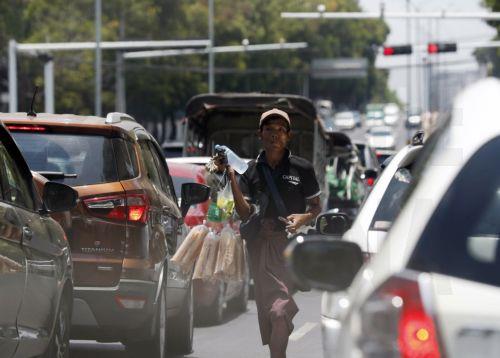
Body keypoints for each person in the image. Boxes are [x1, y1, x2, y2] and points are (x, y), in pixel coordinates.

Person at [222, 108, 322, 358]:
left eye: (280, 130)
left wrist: (302, 218)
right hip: (261, 248)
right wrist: (233, 178)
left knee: (278, 312)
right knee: (274, 312)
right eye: (269, 130)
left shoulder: (303, 168)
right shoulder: (251, 171)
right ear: (260, 134)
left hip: (290, 249)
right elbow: (244, 213)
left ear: (288, 136)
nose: (274, 135)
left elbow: (315, 206)